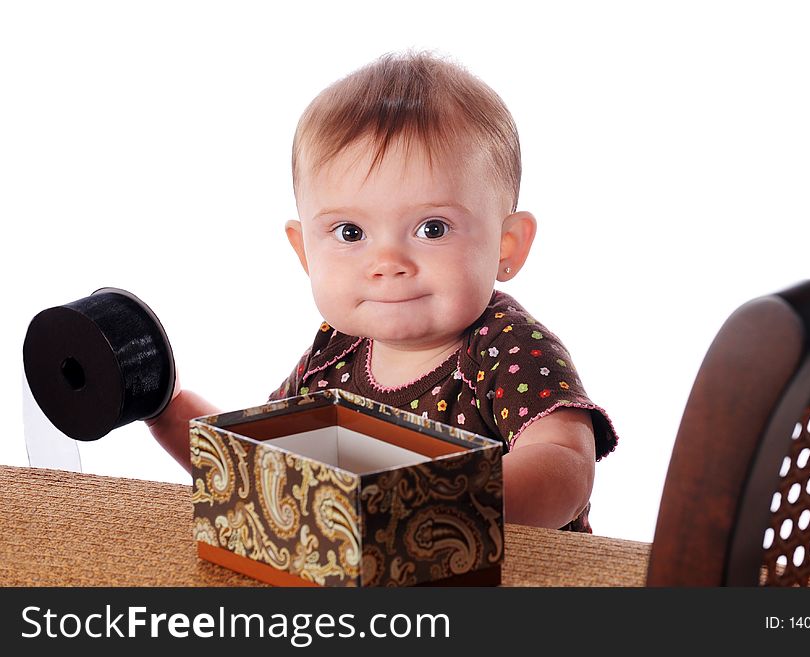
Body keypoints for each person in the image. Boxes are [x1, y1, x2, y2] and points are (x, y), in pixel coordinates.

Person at [147, 51, 618, 532]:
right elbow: (262, 463)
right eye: (351, 233)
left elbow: (564, 464)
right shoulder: (333, 354)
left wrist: (441, 509)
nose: (388, 264)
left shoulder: (504, 347)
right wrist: (168, 406)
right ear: (305, 252)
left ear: (507, 244)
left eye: (432, 228)